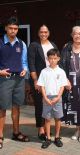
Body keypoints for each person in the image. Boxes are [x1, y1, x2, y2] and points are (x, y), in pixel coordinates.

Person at [0, 16, 29, 149]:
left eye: (15, 29)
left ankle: (16, 133)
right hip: (4, 79)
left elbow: (24, 62)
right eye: (10, 28)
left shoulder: (22, 44)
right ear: (6, 28)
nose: (13, 31)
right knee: (2, 108)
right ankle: (0, 136)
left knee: (16, 107)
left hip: (19, 80)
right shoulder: (0, 42)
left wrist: (25, 69)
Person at [28, 25, 58, 141]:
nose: (43, 34)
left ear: (49, 33)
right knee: (40, 105)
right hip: (39, 80)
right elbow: (31, 64)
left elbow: (56, 60)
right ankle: (41, 128)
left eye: (45, 32)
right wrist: (36, 80)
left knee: (48, 104)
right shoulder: (34, 45)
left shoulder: (53, 45)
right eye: (41, 32)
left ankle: (47, 127)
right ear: (38, 33)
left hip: (51, 80)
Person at [37, 48, 68, 148]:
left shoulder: (61, 71)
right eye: (50, 58)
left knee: (58, 118)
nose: (52, 60)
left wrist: (58, 97)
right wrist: (45, 97)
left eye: (55, 58)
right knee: (47, 118)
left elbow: (63, 86)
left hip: (57, 98)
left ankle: (57, 137)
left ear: (58, 58)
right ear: (47, 59)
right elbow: (42, 86)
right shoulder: (44, 71)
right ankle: (48, 138)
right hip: (47, 98)